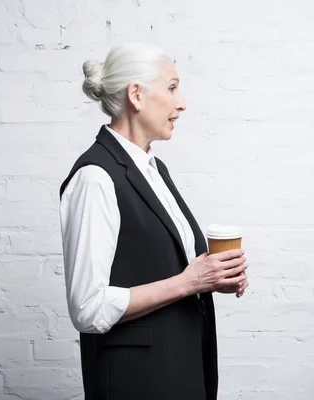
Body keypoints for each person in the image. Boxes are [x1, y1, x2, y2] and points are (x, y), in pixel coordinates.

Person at [59, 43, 248, 400]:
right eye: (173, 87)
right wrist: (188, 282)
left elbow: (166, 268)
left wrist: (211, 279)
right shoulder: (96, 178)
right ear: (137, 95)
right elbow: (88, 308)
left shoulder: (153, 168)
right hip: (138, 381)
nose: (182, 103)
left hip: (180, 368)